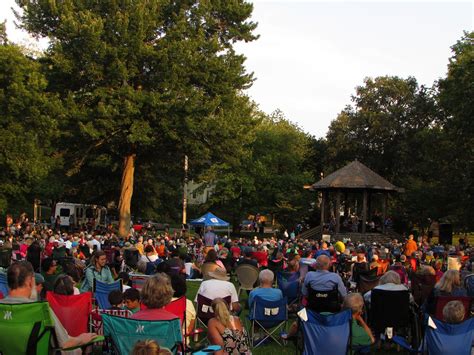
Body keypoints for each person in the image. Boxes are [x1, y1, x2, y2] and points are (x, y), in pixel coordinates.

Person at [0, 262, 97, 353]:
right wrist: (82, 339)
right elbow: (65, 343)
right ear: (30, 282)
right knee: (77, 350)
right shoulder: (40, 309)